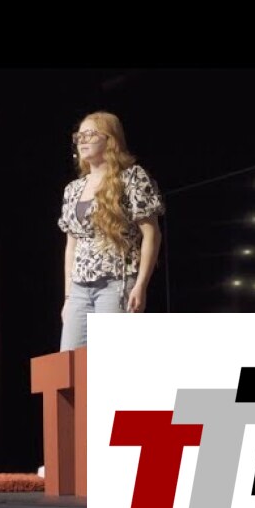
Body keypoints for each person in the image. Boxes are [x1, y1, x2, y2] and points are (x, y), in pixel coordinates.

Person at [58, 111, 165, 351]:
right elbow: (71, 246)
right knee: (68, 363)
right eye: (79, 136)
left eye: (90, 134)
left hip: (116, 283)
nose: (83, 140)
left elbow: (152, 234)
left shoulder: (132, 178)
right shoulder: (73, 189)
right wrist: (68, 296)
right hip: (79, 288)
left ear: (110, 139)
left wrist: (140, 285)